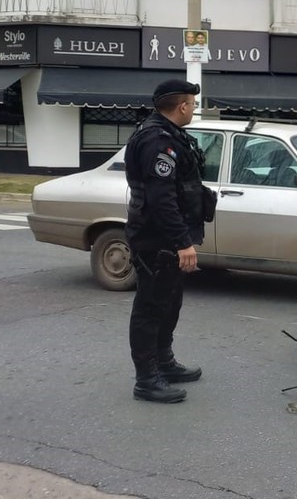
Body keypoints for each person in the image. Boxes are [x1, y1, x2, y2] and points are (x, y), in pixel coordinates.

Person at [124, 79, 215, 403]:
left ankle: (164, 363)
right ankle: (147, 379)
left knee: (169, 302)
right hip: (155, 240)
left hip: (167, 239)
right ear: (182, 106)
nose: (193, 108)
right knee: (150, 307)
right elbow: (161, 199)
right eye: (192, 103)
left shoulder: (170, 136)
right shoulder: (156, 141)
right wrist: (182, 243)